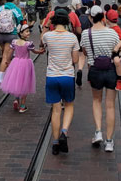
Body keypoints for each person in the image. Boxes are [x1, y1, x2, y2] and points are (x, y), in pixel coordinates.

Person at [80, 6, 121, 152]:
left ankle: (98, 131)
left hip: (95, 70)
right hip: (110, 70)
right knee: (110, 106)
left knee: (97, 101)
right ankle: (109, 141)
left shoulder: (86, 34)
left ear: (91, 18)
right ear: (103, 17)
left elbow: (84, 52)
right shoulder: (112, 33)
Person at [42, 9, 80, 155]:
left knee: (56, 110)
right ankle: (64, 131)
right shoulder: (72, 38)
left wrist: (46, 26)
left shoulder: (48, 37)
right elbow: (75, 60)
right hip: (67, 76)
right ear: (67, 22)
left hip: (51, 76)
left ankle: (55, 142)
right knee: (69, 105)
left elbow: (41, 42)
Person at [1, 24, 44, 113]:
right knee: (25, 83)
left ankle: (16, 99)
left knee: (17, 81)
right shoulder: (28, 44)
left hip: (16, 62)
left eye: (28, 31)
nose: (28, 33)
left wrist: (8, 61)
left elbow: (10, 52)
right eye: (26, 31)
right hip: (25, 63)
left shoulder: (14, 42)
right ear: (21, 33)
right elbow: (34, 51)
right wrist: (40, 52)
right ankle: (22, 106)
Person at [0, 0, 24, 88]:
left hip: (0, 35)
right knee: (6, 57)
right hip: (11, 34)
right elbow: (21, 21)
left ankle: (7, 75)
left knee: (5, 54)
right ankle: (1, 80)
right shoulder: (16, 9)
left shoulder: (0, 8)